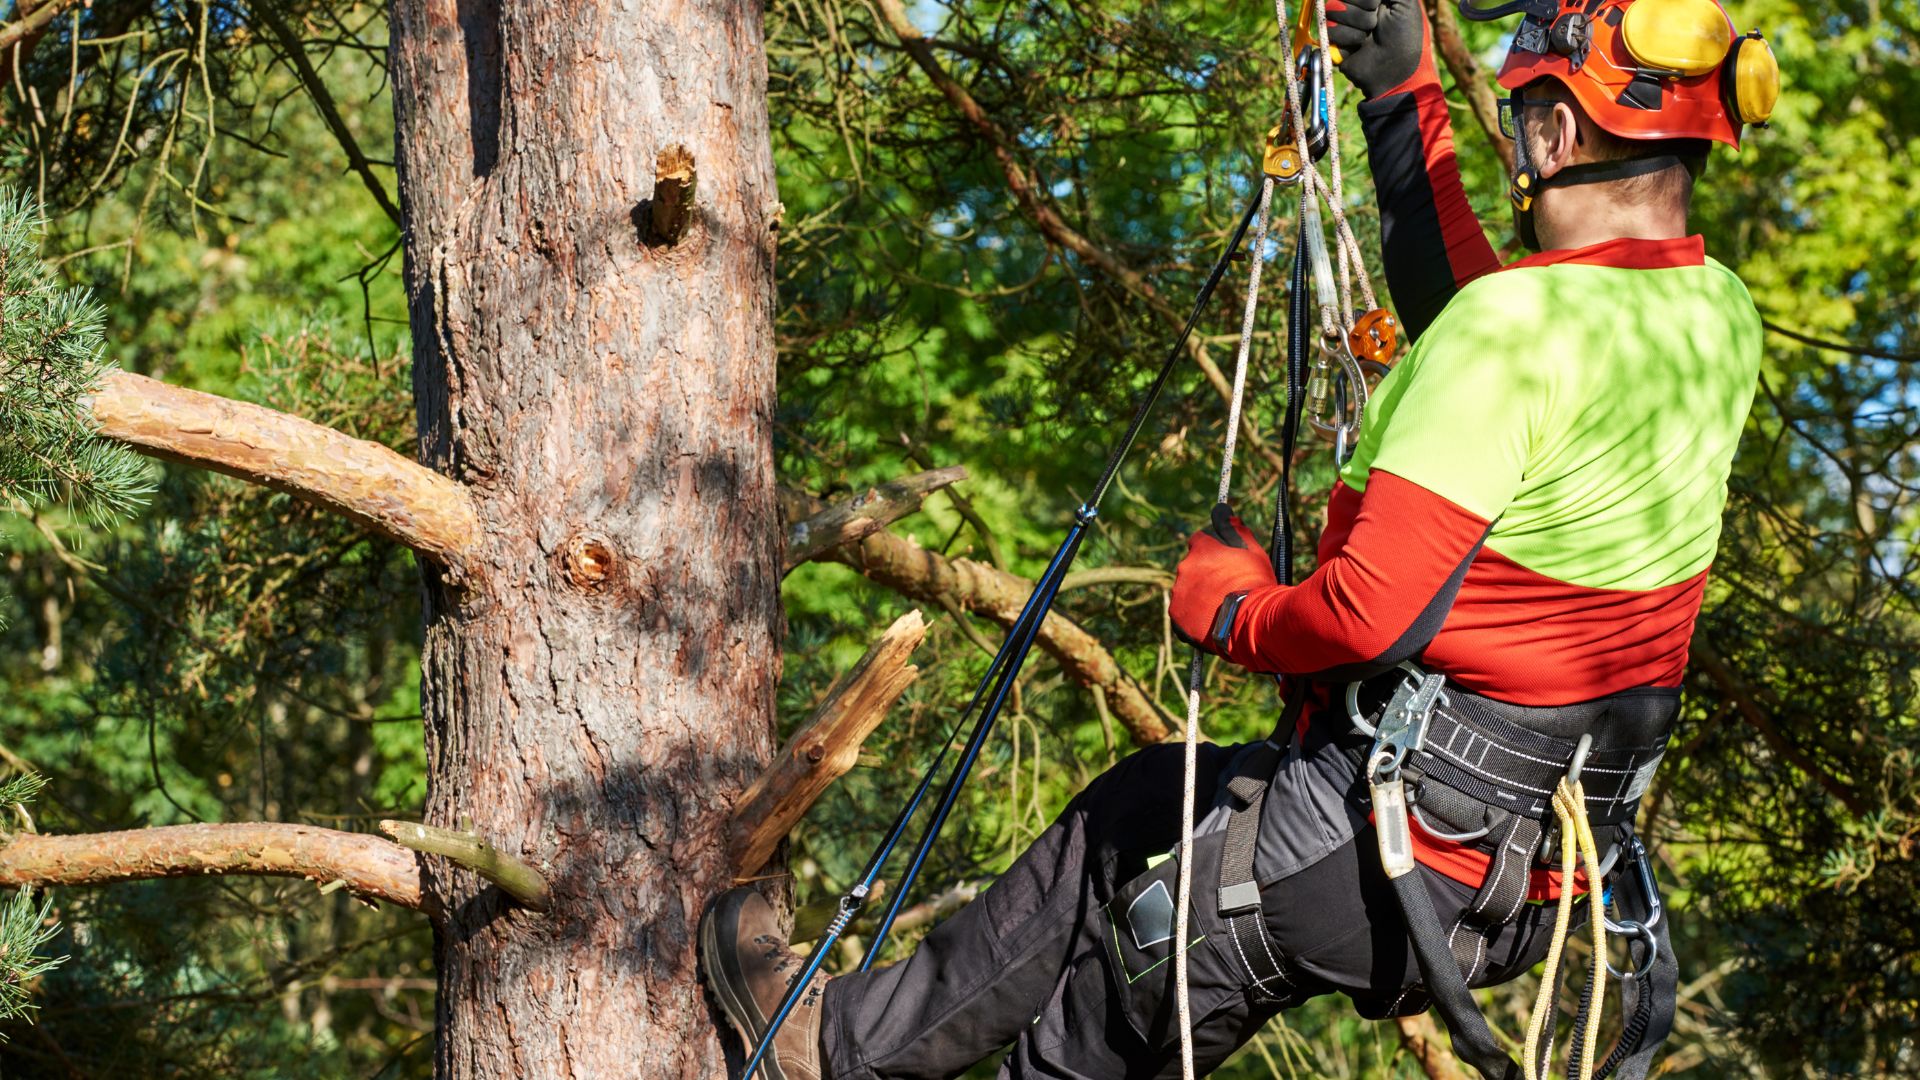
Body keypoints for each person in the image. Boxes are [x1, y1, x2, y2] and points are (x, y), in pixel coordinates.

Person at [700, 0, 1775, 1075]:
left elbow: (1368, 614)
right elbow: (1500, 317)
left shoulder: (1515, 334)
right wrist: (1404, 105)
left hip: (1382, 847)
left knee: (1095, 1028)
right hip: (1517, 872)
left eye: (1527, 116)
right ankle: (839, 1043)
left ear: (1555, 136)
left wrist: (1233, 610)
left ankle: (843, 1052)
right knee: (1132, 809)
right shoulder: (1711, 314)